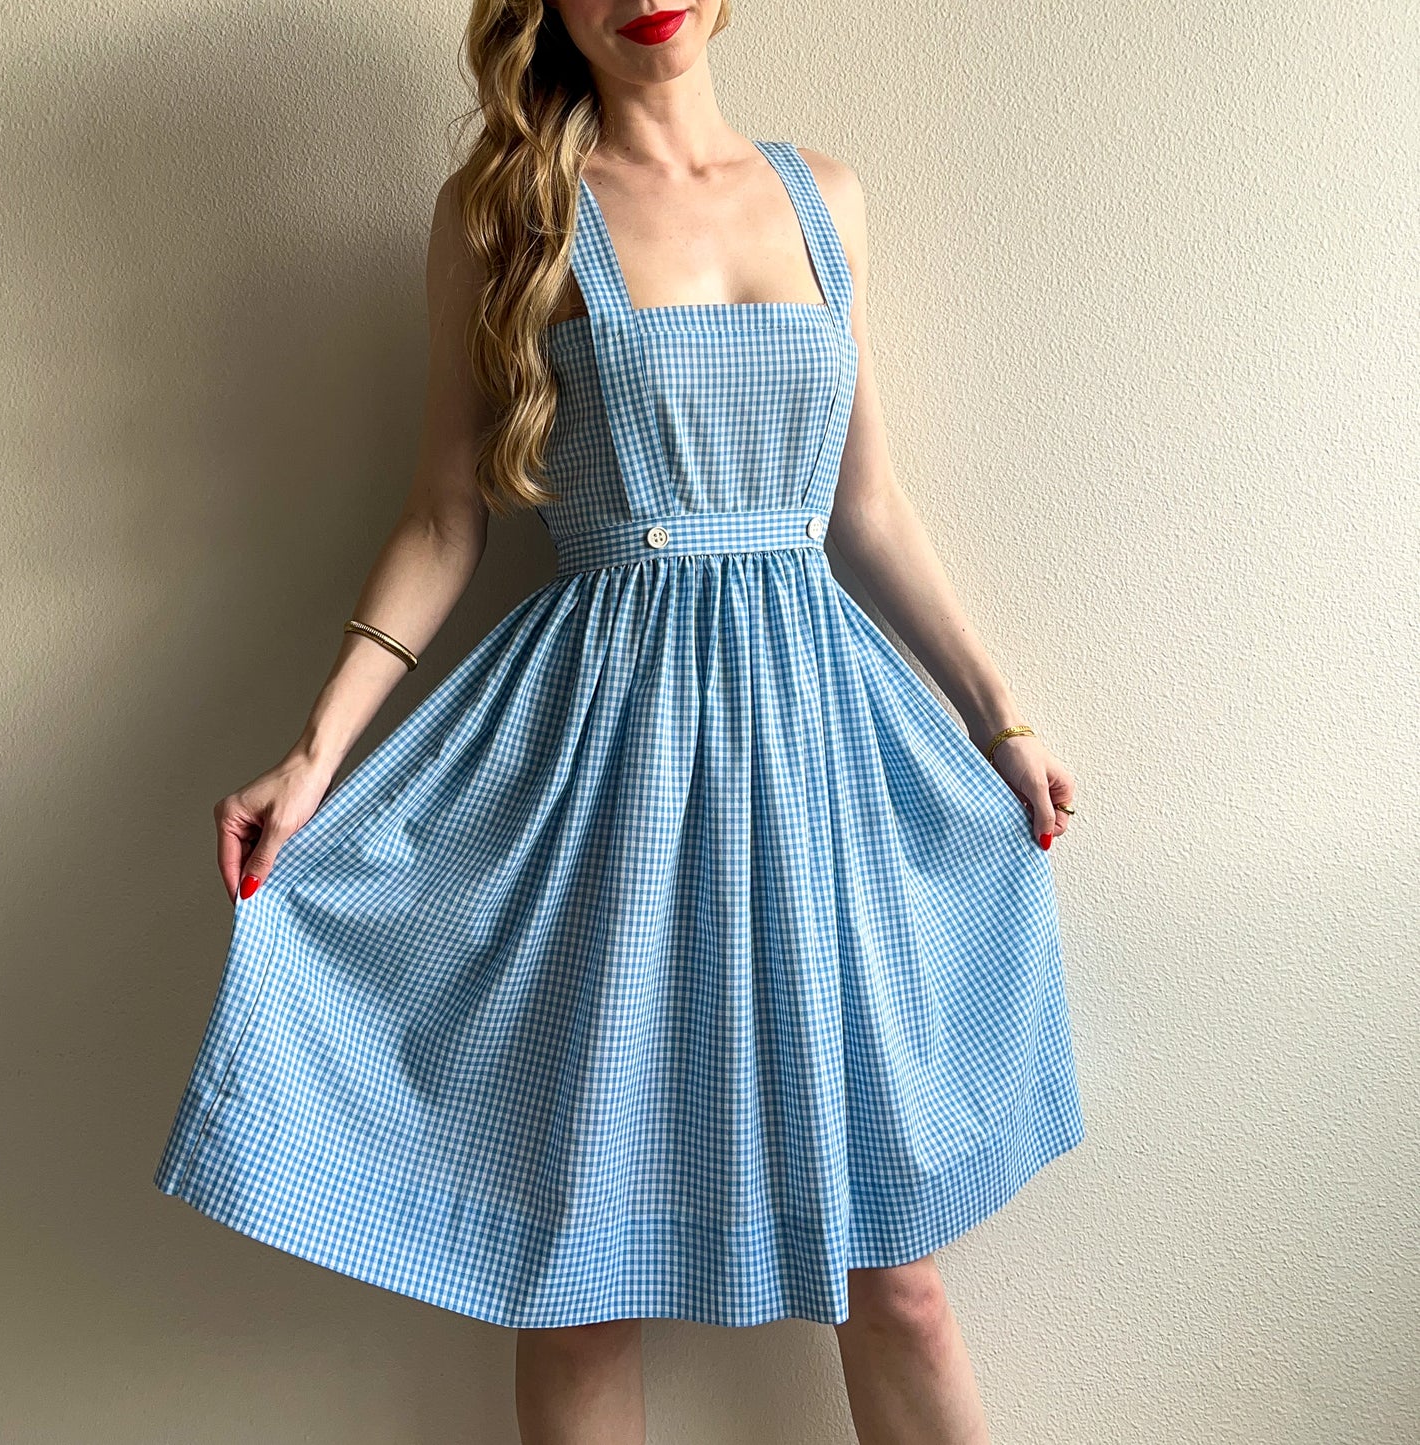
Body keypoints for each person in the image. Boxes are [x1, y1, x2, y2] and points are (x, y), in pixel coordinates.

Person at [152, 3, 1086, 1441]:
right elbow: (444, 516)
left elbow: (866, 506)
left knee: (895, 1275)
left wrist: (1000, 718)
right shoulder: (504, 216)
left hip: (816, 753)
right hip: (607, 765)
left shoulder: (825, 196)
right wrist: (315, 751)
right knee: (586, 1278)